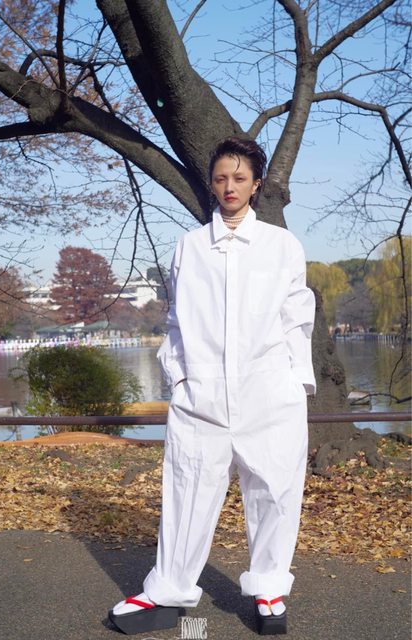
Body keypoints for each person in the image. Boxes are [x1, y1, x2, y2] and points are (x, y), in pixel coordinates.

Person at [108, 136, 316, 636]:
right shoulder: (191, 246)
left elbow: (297, 320)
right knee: (187, 490)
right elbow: (177, 321)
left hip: (270, 392)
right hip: (200, 394)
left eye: (240, 178)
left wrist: (296, 384)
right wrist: (180, 377)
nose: (230, 187)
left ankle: (269, 589)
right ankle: (167, 590)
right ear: (211, 183)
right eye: (221, 178)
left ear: (256, 183)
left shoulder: (282, 245)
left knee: (274, 491)